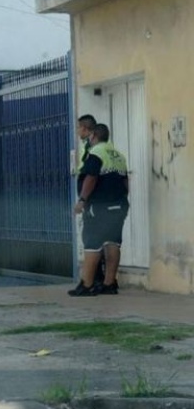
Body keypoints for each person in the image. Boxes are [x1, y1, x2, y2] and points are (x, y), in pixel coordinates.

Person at [69, 123, 129, 296]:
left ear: (94, 135)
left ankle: (86, 285)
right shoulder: (118, 155)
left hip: (99, 205)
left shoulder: (96, 153)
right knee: (113, 243)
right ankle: (109, 283)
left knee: (92, 243)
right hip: (119, 205)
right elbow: (125, 182)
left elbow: (91, 177)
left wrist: (82, 200)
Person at [77, 114, 105, 286]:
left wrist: (82, 199)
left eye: (79, 127)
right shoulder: (89, 147)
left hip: (94, 201)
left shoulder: (93, 149)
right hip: (95, 200)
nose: (78, 131)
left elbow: (91, 175)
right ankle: (97, 278)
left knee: (92, 239)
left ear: (86, 129)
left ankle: (93, 279)